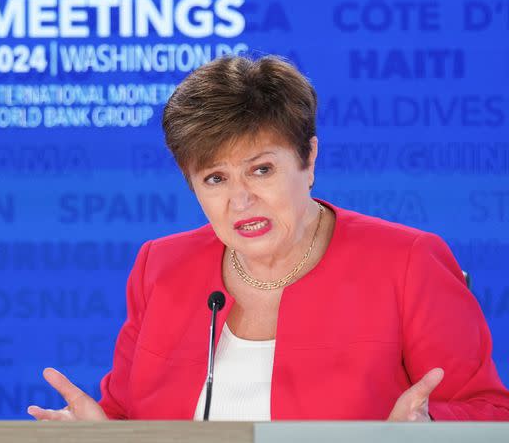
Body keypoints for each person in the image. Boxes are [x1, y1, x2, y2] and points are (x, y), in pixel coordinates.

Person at [27, 55, 509, 421]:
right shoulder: (162, 266)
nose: (241, 200)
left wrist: (431, 426)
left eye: (261, 169)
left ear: (309, 159)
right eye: (215, 178)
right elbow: (126, 413)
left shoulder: (407, 262)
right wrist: (100, 431)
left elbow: (489, 408)